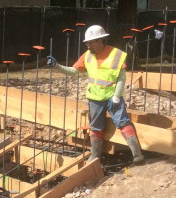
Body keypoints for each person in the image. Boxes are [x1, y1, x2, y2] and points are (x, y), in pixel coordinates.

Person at [47, 25, 144, 165]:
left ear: (100, 40)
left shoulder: (116, 55)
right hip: (95, 98)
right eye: (86, 43)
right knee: (96, 127)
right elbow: (73, 71)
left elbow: (121, 78)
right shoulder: (87, 56)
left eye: (90, 43)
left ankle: (137, 154)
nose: (88, 46)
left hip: (113, 97)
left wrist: (117, 96)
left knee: (123, 123)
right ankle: (95, 156)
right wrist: (57, 66)